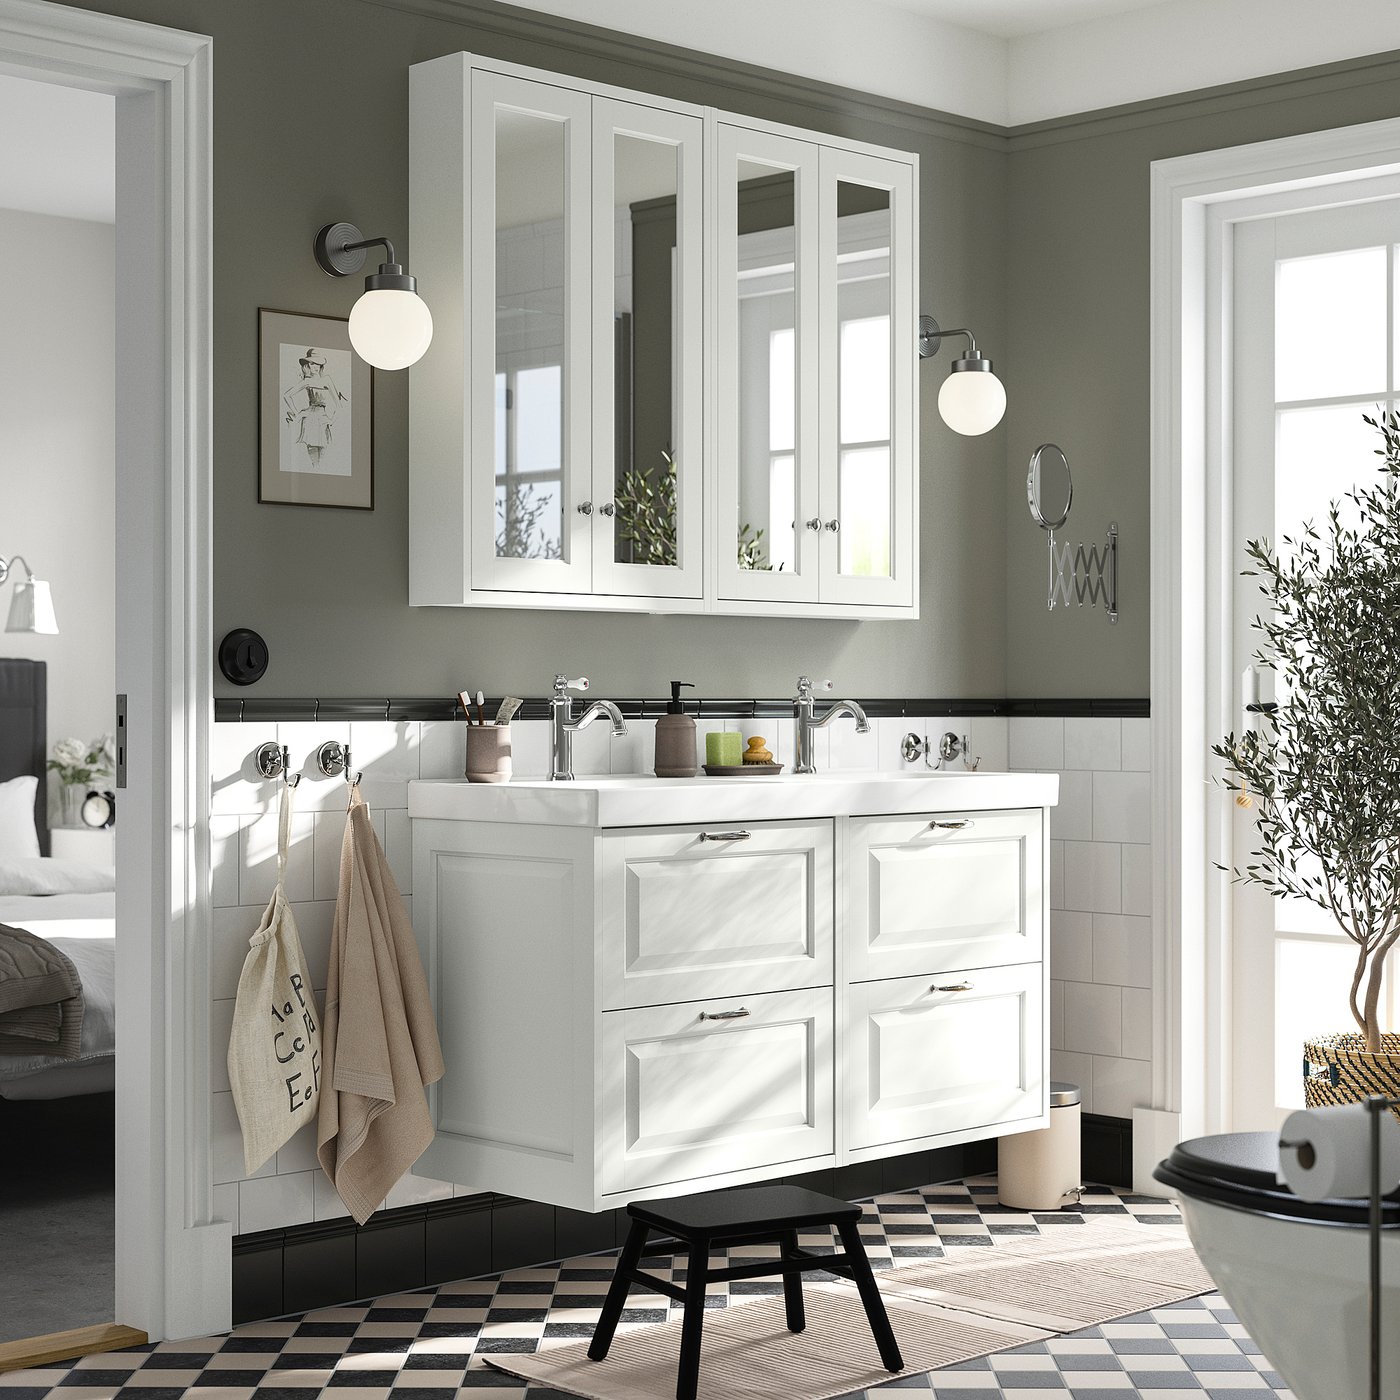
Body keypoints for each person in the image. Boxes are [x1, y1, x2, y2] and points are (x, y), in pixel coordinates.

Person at [283, 348, 346, 469]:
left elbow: (339, 405)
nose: (316, 366)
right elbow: (287, 395)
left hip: (322, 418)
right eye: (312, 363)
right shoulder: (307, 381)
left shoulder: (327, 379)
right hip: (310, 419)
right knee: (313, 456)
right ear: (308, 365)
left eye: (318, 364)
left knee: (324, 452)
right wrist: (298, 413)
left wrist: (331, 420)